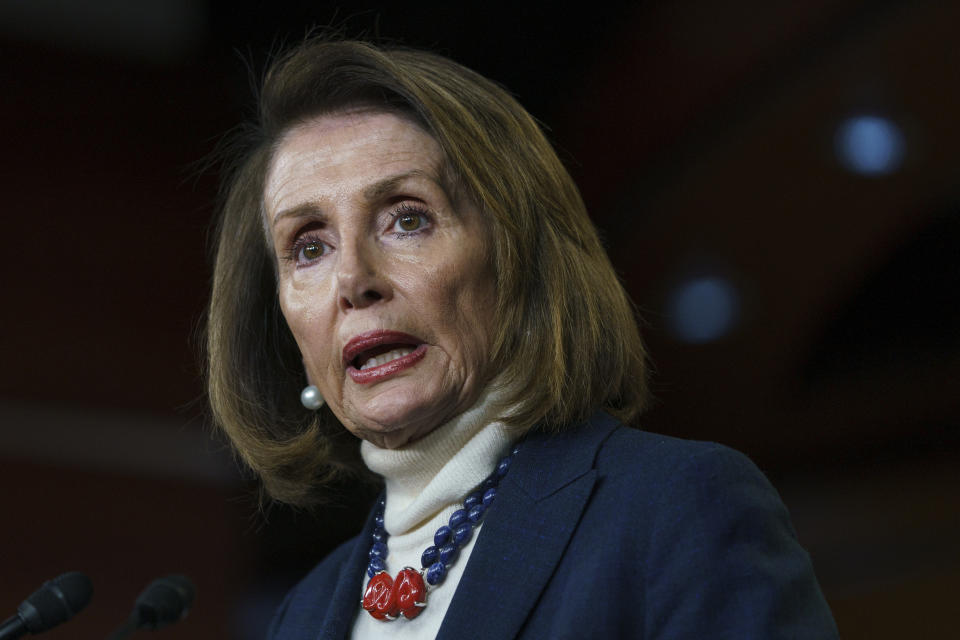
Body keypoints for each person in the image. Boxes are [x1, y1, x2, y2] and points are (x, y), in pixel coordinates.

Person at [206, 38, 839, 639]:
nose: (353, 281)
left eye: (407, 219)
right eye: (309, 247)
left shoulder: (676, 511)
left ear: (520, 259)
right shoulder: (302, 614)